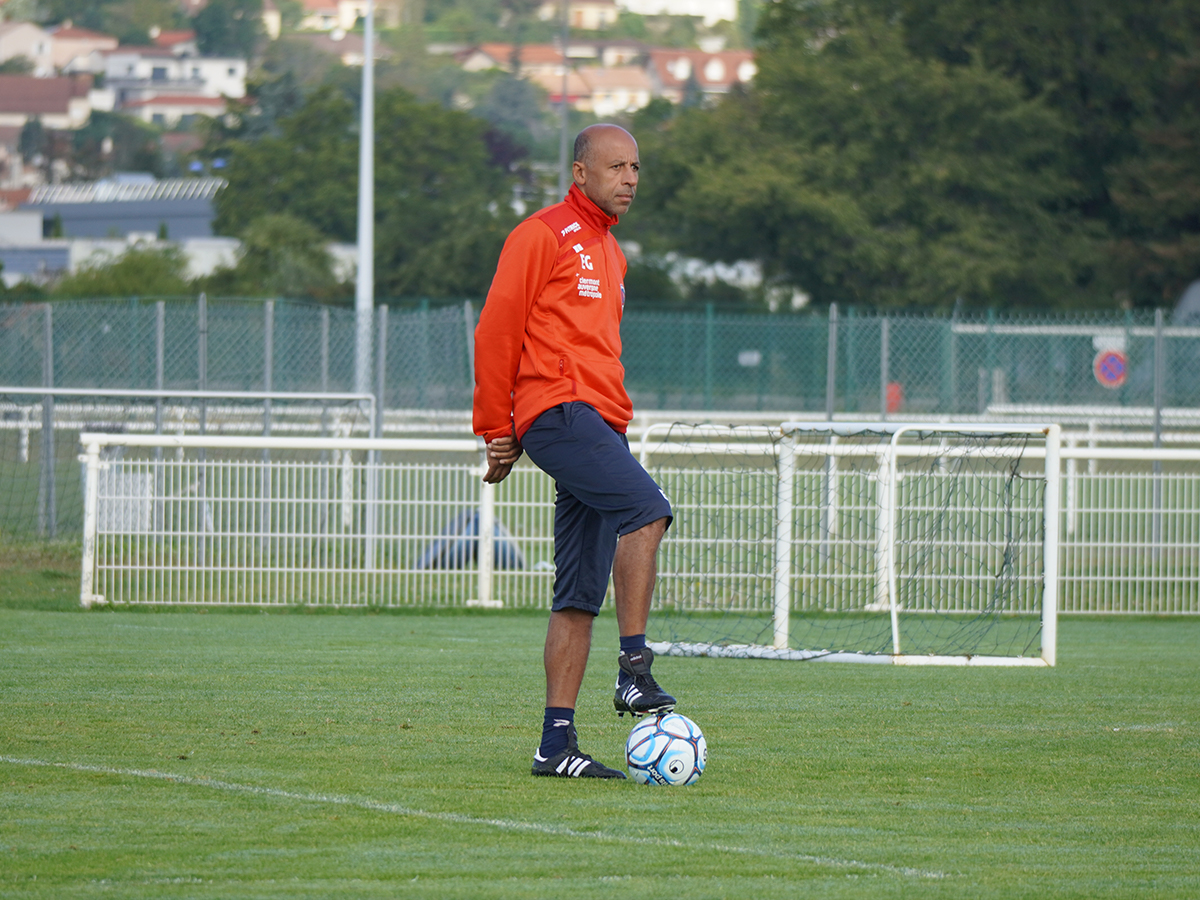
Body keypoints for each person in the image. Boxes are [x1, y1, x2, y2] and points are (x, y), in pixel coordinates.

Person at [473, 124, 676, 779]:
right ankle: (635, 670)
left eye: (637, 168)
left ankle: (554, 745)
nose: (630, 179)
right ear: (581, 172)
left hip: (598, 423)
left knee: (576, 595)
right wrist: (494, 429)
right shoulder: (542, 234)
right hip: (557, 413)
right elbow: (497, 330)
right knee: (648, 509)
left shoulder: (612, 255)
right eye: (617, 167)